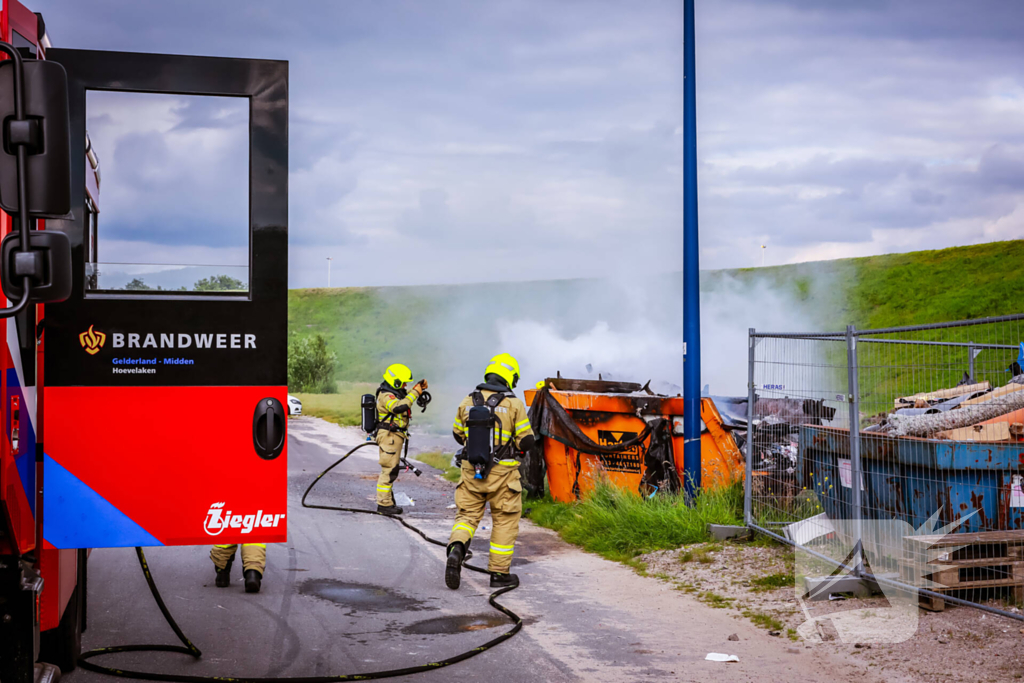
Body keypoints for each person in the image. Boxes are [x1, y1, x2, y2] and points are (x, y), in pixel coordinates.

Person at [445, 353, 538, 590]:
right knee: (504, 521)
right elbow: (527, 441)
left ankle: (456, 550)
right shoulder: (514, 404)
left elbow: (457, 435)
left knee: (466, 518)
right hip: (504, 476)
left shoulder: (468, 401)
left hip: (471, 472)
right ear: (510, 378)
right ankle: (498, 574)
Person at [375, 363, 427, 516]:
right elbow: (398, 407)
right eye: (403, 383)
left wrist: (418, 388)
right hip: (389, 437)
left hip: (394, 436)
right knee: (389, 470)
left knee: (392, 469)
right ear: (395, 381)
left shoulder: (393, 393)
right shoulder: (386, 395)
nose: (405, 385)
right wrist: (415, 393)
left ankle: (388, 501)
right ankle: (383, 505)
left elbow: (404, 400)